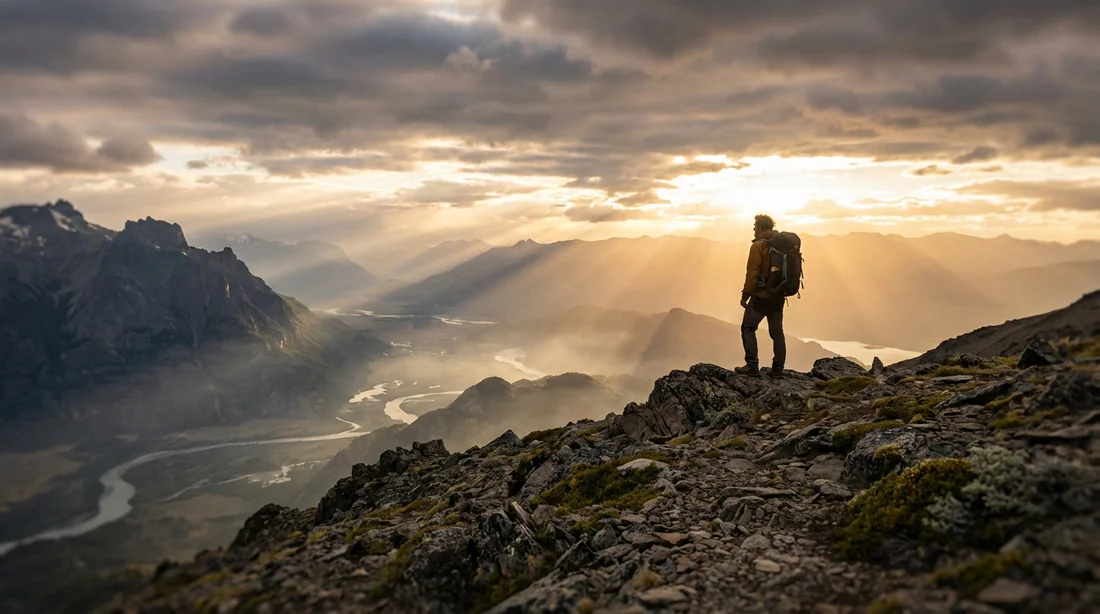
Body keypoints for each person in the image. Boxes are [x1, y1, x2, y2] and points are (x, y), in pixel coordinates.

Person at [735, 214, 786, 378]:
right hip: (778, 295)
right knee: (777, 332)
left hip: (761, 296)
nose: (754, 230)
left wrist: (745, 295)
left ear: (761, 228)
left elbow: (752, 273)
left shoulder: (758, 246)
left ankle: (752, 366)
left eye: (755, 227)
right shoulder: (782, 246)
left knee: (748, 328)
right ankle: (778, 369)